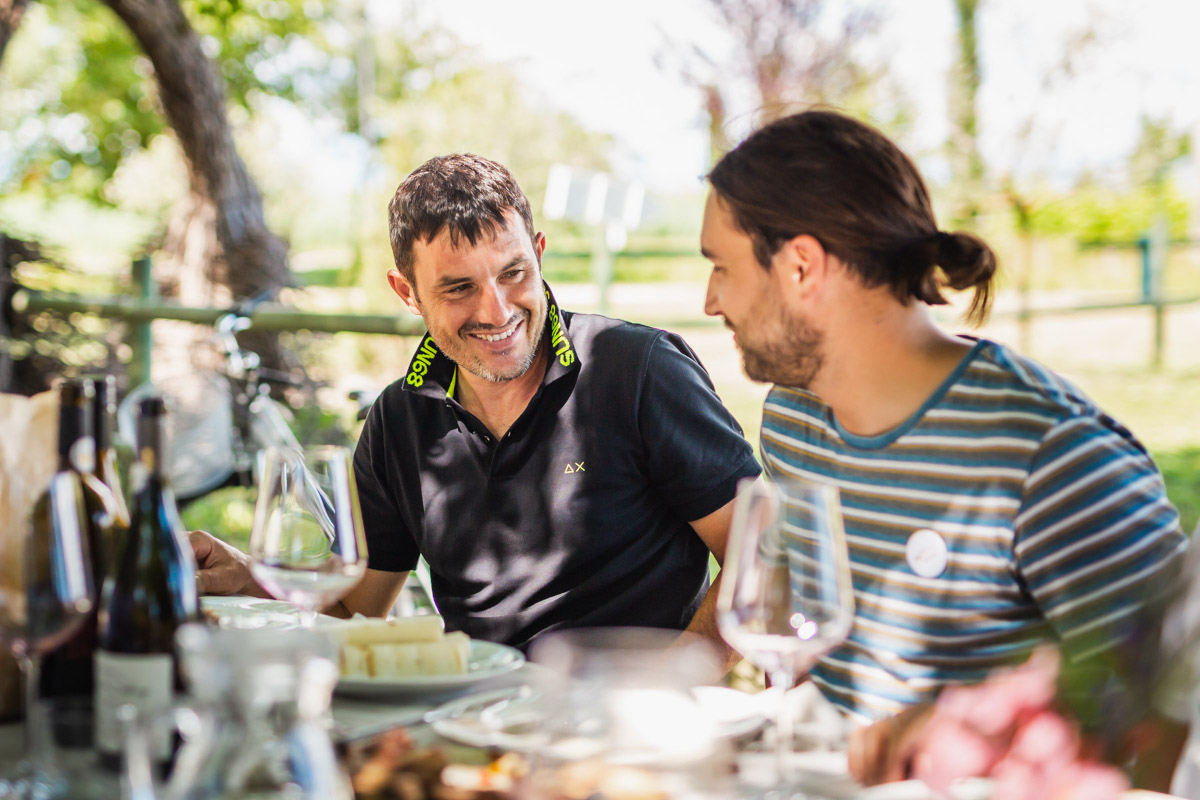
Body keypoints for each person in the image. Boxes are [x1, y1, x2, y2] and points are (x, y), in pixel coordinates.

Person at [698, 109, 1188, 785]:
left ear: (801, 266)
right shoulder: (792, 418)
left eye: (721, 268)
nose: (709, 300)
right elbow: (803, 634)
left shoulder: (1053, 454)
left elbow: (1170, 716)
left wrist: (969, 730)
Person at [192, 153, 761, 658]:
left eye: (513, 274)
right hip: (473, 731)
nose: (497, 311)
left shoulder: (639, 369)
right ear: (406, 292)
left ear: (538, 255)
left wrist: (675, 688)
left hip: (630, 735)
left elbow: (763, 554)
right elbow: (352, 612)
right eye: (458, 288)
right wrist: (250, 578)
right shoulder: (399, 418)